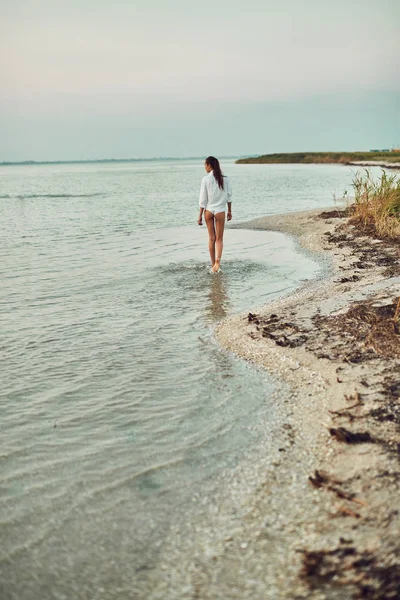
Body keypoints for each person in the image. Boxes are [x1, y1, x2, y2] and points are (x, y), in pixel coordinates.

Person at [198, 156, 232, 273]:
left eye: (205, 165)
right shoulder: (225, 179)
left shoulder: (205, 179)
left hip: (208, 211)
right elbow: (229, 197)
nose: (205, 167)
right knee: (219, 239)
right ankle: (218, 261)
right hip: (220, 211)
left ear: (209, 165)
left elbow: (203, 200)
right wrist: (230, 211)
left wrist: (199, 216)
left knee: (211, 238)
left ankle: (213, 265)